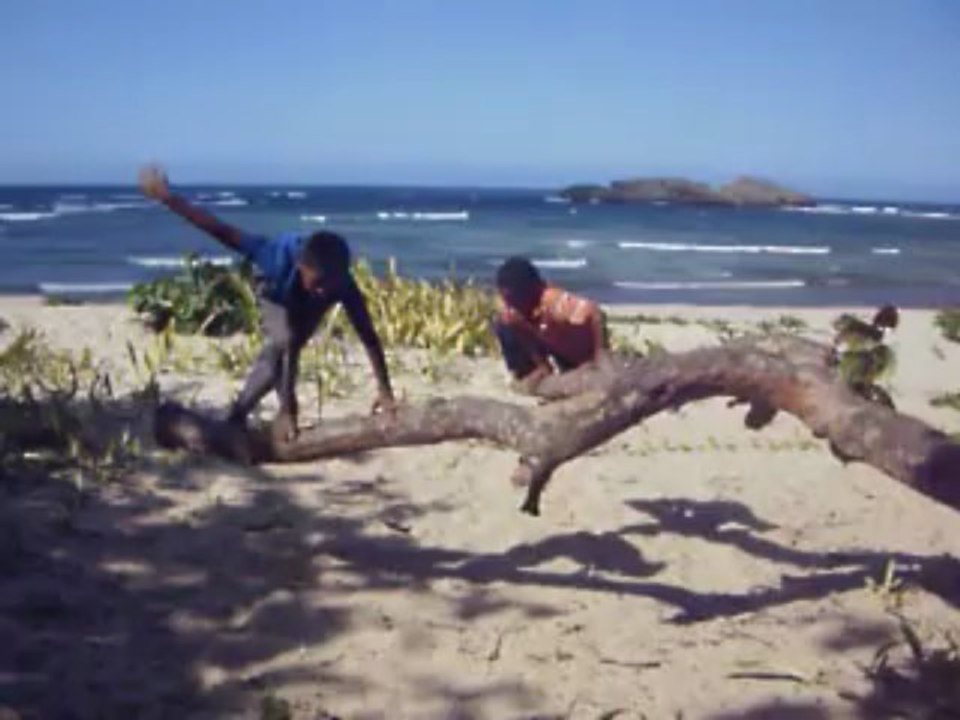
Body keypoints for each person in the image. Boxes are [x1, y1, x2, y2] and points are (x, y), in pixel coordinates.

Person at [138, 165, 396, 441]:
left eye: (329, 286)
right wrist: (168, 199)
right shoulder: (273, 258)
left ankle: (237, 415)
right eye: (318, 283)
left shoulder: (341, 284)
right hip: (273, 290)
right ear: (301, 267)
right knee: (284, 341)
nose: (323, 292)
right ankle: (255, 414)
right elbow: (218, 229)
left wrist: (385, 391)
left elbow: (368, 336)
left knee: (283, 351)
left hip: (299, 297)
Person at [492, 256, 608, 390]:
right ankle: (532, 371)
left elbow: (594, 313)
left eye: (510, 298)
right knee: (505, 324)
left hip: (583, 358)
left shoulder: (554, 302)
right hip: (558, 350)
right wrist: (542, 365)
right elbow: (529, 334)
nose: (507, 303)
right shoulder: (520, 310)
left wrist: (601, 357)